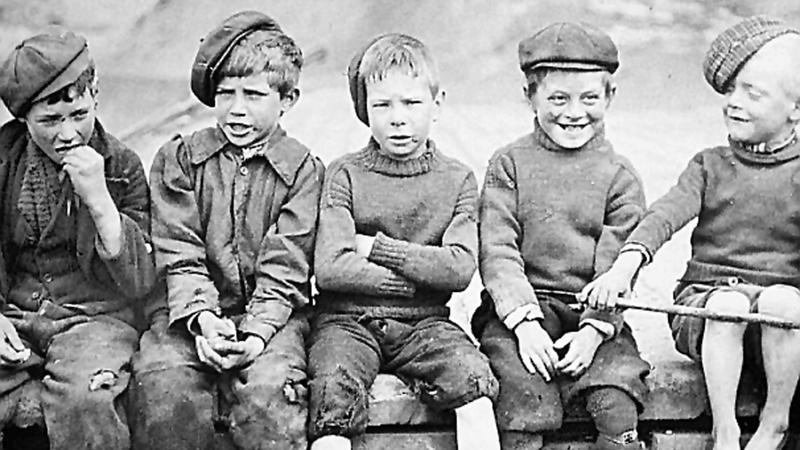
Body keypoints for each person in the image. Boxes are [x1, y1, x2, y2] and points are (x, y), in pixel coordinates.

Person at [583, 16, 800, 450]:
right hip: (708, 306)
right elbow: (663, 215)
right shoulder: (709, 165)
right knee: (727, 303)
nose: (734, 102)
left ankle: (775, 422)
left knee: (781, 299)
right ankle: (725, 430)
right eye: (731, 90)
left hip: (782, 320)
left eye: (753, 93)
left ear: (795, 108)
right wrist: (622, 270)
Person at [131, 11, 324, 450]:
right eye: (225, 94)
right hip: (185, 315)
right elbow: (178, 251)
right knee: (163, 385)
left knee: (274, 392)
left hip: (274, 320)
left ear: (288, 98)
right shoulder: (179, 160)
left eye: (254, 95)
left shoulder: (303, 172)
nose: (236, 109)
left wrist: (255, 334)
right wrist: (203, 320)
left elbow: (286, 266)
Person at [308, 33, 500, 450]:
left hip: (425, 324)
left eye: (411, 103)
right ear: (365, 110)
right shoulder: (344, 174)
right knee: (331, 401)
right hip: (346, 322)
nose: (398, 118)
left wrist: (375, 248)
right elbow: (332, 267)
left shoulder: (457, 179)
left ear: (437, 103)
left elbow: (458, 269)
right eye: (382, 105)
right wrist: (415, 279)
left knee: (475, 385)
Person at [472, 22, 650, 450]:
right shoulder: (509, 164)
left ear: (610, 96)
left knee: (616, 400)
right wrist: (526, 324)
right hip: (521, 315)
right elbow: (497, 248)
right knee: (521, 399)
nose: (574, 112)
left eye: (590, 98)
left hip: (592, 314)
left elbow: (618, 263)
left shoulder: (620, 177)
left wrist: (594, 330)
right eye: (557, 98)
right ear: (529, 96)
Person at [0, 30, 155, 449]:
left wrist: (101, 201)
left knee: (86, 399)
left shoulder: (121, 164)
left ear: (96, 96)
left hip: (95, 321)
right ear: (23, 119)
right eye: (49, 121)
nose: (68, 133)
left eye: (80, 114)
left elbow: (140, 281)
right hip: (16, 314)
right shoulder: (4, 158)